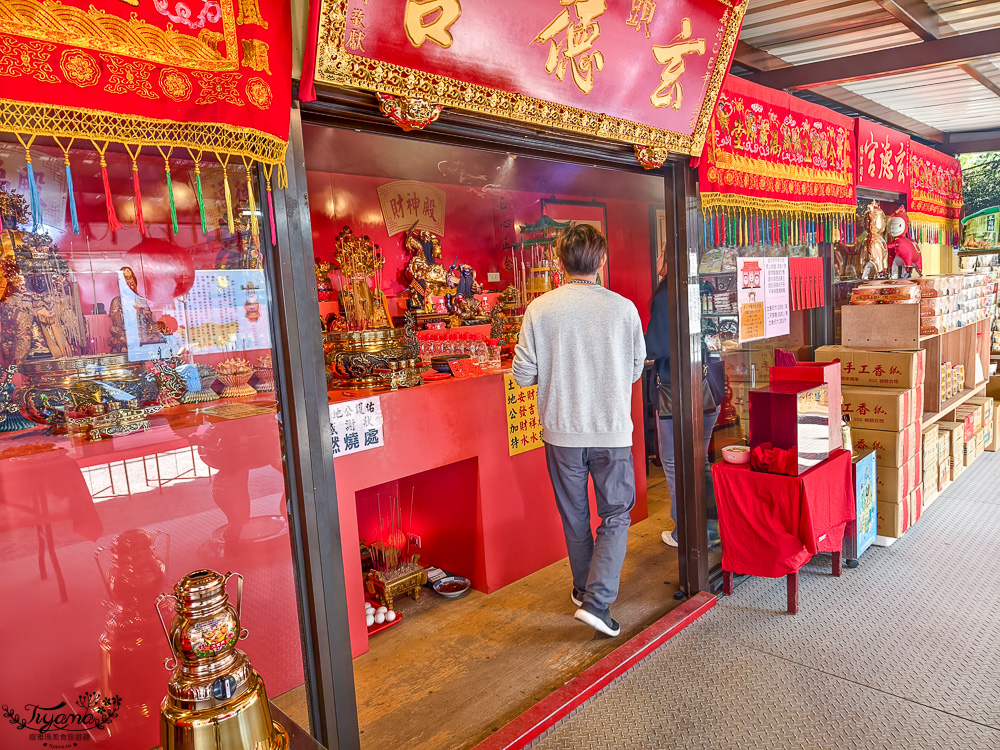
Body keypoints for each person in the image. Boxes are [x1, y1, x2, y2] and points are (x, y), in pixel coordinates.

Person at [512, 225, 645, 638]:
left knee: (575, 516)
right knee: (616, 513)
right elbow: (637, 368)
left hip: (561, 432)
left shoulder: (540, 309)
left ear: (558, 261)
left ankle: (582, 589)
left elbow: (522, 375)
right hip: (610, 431)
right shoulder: (624, 309)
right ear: (602, 262)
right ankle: (597, 601)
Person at [645, 246, 722, 548]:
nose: (657, 259)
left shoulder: (667, 295)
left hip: (677, 393)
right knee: (698, 459)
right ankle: (710, 527)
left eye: (661, 254)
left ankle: (686, 532)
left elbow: (656, 346)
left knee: (675, 461)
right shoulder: (702, 286)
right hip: (708, 387)